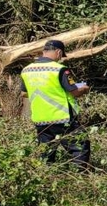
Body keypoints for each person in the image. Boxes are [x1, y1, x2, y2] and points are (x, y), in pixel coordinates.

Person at [20, 39, 92, 169]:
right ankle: (78, 176)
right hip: (61, 117)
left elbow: (24, 93)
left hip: (40, 119)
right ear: (58, 52)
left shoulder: (26, 70)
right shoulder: (60, 69)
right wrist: (85, 89)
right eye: (61, 56)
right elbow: (74, 92)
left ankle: (46, 177)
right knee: (80, 146)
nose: (60, 59)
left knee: (46, 152)